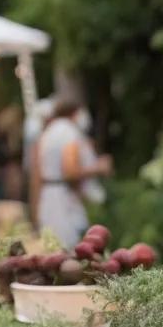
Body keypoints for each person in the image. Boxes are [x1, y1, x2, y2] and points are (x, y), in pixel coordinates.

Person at [32, 97, 113, 249]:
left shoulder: (49, 132)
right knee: (68, 252)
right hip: (63, 203)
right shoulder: (68, 133)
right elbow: (70, 171)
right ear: (76, 113)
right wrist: (99, 168)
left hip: (49, 198)